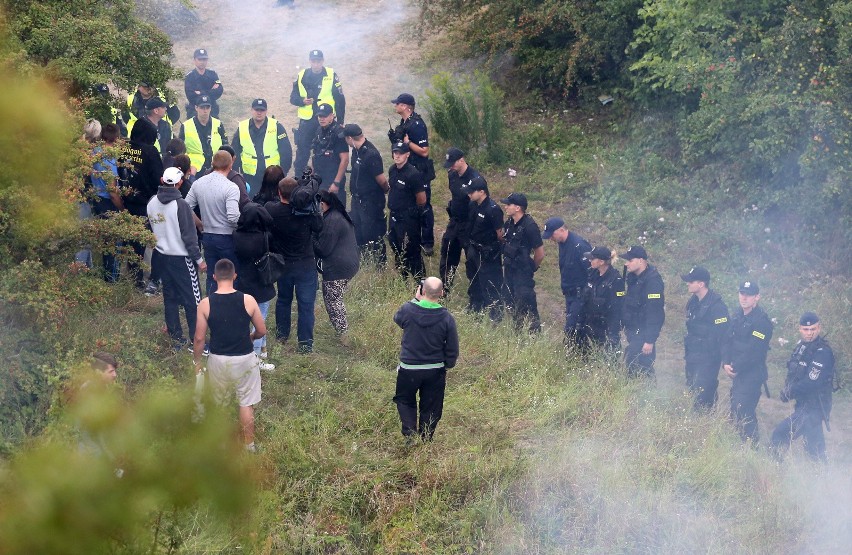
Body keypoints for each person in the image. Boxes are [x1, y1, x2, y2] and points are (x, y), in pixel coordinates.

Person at [194, 259, 266, 452]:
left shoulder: (205, 304)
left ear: (214, 277)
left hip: (218, 359)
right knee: (246, 403)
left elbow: (200, 338)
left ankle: (221, 444)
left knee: (219, 404)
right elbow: (261, 330)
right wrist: (252, 337)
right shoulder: (248, 300)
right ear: (234, 276)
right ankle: (249, 446)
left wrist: (197, 360)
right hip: (245, 358)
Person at [393, 276, 459, 444]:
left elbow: (397, 319)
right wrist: (448, 364)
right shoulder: (446, 317)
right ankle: (426, 438)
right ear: (442, 293)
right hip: (435, 370)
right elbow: (452, 347)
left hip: (408, 368)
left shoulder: (408, 310)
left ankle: (410, 434)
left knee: (405, 400)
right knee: (431, 406)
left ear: (422, 290)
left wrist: (415, 299)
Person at [147, 167, 206, 351]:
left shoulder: (152, 202)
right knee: (193, 301)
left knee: (170, 299)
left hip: (162, 257)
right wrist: (199, 260)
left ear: (162, 180)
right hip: (182, 259)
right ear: (180, 183)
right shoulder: (181, 205)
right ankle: (198, 344)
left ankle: (176, 340)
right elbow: (189, 237)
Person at [265, 177, 323, 353]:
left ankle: (282, 335)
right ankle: (305, 343)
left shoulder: (272, 210)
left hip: (283, 264)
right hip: (305, 264)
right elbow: (319, 227)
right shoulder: (306, 213)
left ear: (279, 192)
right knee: (306, 305)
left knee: (283, 300)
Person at [770, 312, 834, 462]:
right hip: (803, 406)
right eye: (806, 330)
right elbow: (794, 372)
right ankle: (826, 480)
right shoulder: (801, 347)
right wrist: (787, 387)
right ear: (800, 329)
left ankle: (774, 469)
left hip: (814, 408)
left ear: (819, 328)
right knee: (814, 450)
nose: (809, 333)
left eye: (813, 329)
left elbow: (812, 382)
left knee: (779, 435)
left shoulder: (822, 352)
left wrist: (790, 391)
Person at [722, 280, 773, 443]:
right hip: (737, 371)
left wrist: (735, 367)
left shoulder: (762, 322)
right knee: (735, 408)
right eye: (741, 293)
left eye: (748, 295)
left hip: (752, 373)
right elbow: (727, 340)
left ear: (757, 297)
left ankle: (752, 447)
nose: (744, 298)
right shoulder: (737, 315)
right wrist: (726, 362)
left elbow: (754, 352)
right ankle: (738, 444)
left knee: (744, 410)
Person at [185, 150, 241, 295]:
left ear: (212, 163)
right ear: (231, 164)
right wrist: (241, 228)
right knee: (232, 275)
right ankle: (230, 307)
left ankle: (211, 307)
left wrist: (199, 223)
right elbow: (233, 217)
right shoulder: (231, 187)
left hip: (208, 236)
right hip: (227, 237)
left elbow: (185, 207)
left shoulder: (198, 183)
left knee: (212, 275)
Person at [118, 117, 164, 289]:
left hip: (125, 201)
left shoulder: (124, 149)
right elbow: (157, 178)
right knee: (143, 241)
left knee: (130, 240)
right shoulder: (150, 152)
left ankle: (132, 275)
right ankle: (143, 279)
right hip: (146, 203)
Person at [233, 201, 277, 371]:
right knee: (260, 320)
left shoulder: (236, 235)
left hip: (243, 283)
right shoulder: (265, 236)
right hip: (262, 282)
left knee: (246, 319)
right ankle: (255, 358)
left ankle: (262, 349)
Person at [390, 93, 435, 255]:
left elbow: (424, 151)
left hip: (420, 170)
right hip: (409, 170)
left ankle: (428, 242)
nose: (395, 106)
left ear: (406, 106)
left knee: (424, 206)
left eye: (398, 104)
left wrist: (408, 144)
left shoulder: (416, 124)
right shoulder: (405, 122)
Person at [681, 266, 730, 410]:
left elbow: (723, 335)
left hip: (709, 357)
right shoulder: (693, 302)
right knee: (692, 388)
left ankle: (705, 422)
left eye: (691, 281)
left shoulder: (717, 307)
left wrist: (725, 359)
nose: (688, 284)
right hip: (692, 354)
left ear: (701, 284)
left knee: (703, 393)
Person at [290, 49, 345, 175]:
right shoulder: (302, 75)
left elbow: (340, 99)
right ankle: (299, 177)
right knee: (303, 150)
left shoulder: (331, 74)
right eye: (313, 61)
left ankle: (325, 176)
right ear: (310, 61)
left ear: (323, 61)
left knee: (326, 149)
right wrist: (302, 101)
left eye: (318, 61)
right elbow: (293, 98)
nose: (316, 64)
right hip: (307, 121)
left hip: (326, 119)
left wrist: (341, 120)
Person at [314, 190, 359, 340]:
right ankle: (343, 332)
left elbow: (323, 249)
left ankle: (344, 334)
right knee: (334, 299)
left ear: (322, 204)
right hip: (346, 264)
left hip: (338, 267)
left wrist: (310, 238)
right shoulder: (336, 215)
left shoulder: (332, 220)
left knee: (333, 300)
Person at [342, 123, 388, 264]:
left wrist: (386, 191)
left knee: (373, 233)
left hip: (370, 201)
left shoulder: (371, 154)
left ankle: (380, 263)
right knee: (358, 232)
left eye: (345, 139)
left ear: (350, 138)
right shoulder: (356, 150)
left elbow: (381, 180)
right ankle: (364, 261)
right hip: (357, 200)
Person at [500, 192, 544, 332]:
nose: (505, 207)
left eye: (509, 204)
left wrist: (532, 267)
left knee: (525, 301)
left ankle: (533, 333)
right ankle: (517, 330)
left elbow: (540, 252)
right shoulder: (509, 223)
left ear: (518, 208)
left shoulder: (530, 226)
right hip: (509, 268)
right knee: (510, 299)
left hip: (522, 271)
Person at [542, 217, 591, 341]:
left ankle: (577, 356)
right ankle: (578, 356)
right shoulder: (562, 243)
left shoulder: (579, 245)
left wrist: (588, 294)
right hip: (569, 293)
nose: (551, 238)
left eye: (552, 234)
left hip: (580, 294)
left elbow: (592, 271)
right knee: (574, 329)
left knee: (572, 328)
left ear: (562, 230)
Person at [620, 245, 665, 377]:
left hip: (643, 334)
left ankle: (649, 396)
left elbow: (655, 313)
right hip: (634, 331)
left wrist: (649, 340)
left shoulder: (652, 282)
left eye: (630, 260)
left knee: (641, 369)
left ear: (641, 260)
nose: (626, 263)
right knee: (632, 367)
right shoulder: (634, 278)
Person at [232, 98, 293, 194]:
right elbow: (235, 151)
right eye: (257, 110)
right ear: (251, 110)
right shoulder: (242, 127)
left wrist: (283, 172)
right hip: (250, 175)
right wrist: (236, 172)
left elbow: (286, 152)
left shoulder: (277, 126)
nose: (259, 113)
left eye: (262, 110)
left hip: (272, 175)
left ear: (266, 111)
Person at [440, 147, 479, 294]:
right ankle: (444, 288)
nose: (451, 167)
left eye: (453, 163)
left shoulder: (475, 180)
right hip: (455, 221)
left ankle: (476, 294)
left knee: (472, 259)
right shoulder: (452, 175)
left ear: (461, 160)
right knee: (448, 252)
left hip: (469, 224)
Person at [466, 176, 504, 321]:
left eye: (472, 191)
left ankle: (495, 315)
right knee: (473, 279)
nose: (469, 194)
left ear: (482, 192)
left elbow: (500, 234)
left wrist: (494, 250)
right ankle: (476, 307)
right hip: (473, 248)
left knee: (490, 284)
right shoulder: (473, 205)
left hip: (487, 252)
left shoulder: (493, 210)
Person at [387, 141, 427, 278]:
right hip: (394, 216)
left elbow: (421, 198)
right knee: (396, 246)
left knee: (411, 250)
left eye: (400, 153)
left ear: (407, 154)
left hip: (407, 218)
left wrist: (412, 213)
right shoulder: (392, 170)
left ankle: (419, 281)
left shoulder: (413, 174)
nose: (397, 156)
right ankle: (402, 277)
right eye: (395, 152)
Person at [577, 246, 624, 350]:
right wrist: (580, 322)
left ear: (601, 261)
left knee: (605, 358)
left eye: (592, 258)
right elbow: (584, 299)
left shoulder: (616, 280)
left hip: (605, 327)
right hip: (589, 323)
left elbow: (617, 309)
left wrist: (613, 333)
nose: (589, 260)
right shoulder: (592, 273)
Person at [310, 103, 349, 206]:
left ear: (332, 115)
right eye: (320, 116)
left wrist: (336, 183)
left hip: (333, 178)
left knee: (336, 211)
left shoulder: (339, 133)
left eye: (325, 116)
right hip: (320, 178)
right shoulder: (319, 130)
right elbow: (316, 153)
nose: (321, 119)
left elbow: (344, 159)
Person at [179, 95, 228, 176]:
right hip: (195, 171)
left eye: (207, 107)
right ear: (196, 108)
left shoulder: (218, 124)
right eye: (202, 108)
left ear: (211, 108)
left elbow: (225, 145)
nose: (205, 111)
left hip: (215, 168)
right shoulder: (186, 126)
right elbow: (181, 151)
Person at [184, 48, 223, 118]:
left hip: (212, 111)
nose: (202, 62)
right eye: (200, 59)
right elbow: (190, 96)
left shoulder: (212, 74)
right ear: (194, 60)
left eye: (204, 59)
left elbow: (219, 91)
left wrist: (200, 93)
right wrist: (210, 91)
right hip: (194, 112)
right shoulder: (190, 77)